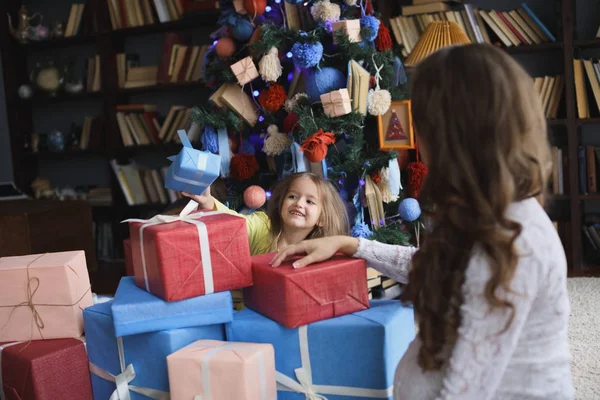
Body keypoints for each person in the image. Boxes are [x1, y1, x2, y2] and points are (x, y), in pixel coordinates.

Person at [271, 44, 574, 399]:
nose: (419, 141)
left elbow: (464, 391)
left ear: (454, 138)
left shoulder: (513, 242)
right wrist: (351, 245)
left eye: (424, 127)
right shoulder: (484, 212)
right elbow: (440, 268)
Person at [183, 172, 349, 255]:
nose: (298, 203)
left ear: (322, 219)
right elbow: (236, 223)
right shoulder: (263, 225)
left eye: (309, 201)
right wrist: (207, 201)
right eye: (292, 196)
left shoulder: (319, 249)